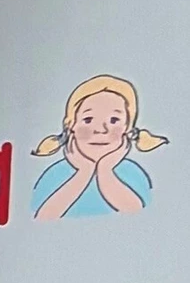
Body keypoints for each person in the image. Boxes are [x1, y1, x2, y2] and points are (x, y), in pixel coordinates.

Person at [31, 73, 161, 218]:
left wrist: (105, 170)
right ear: (71, 126)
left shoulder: (133, 173)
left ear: (127, 128)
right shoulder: (54, 174)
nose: (101, 129)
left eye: (114, 120)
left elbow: (140, 216)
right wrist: (84, 172)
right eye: (88, 120)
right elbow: (41, 219)